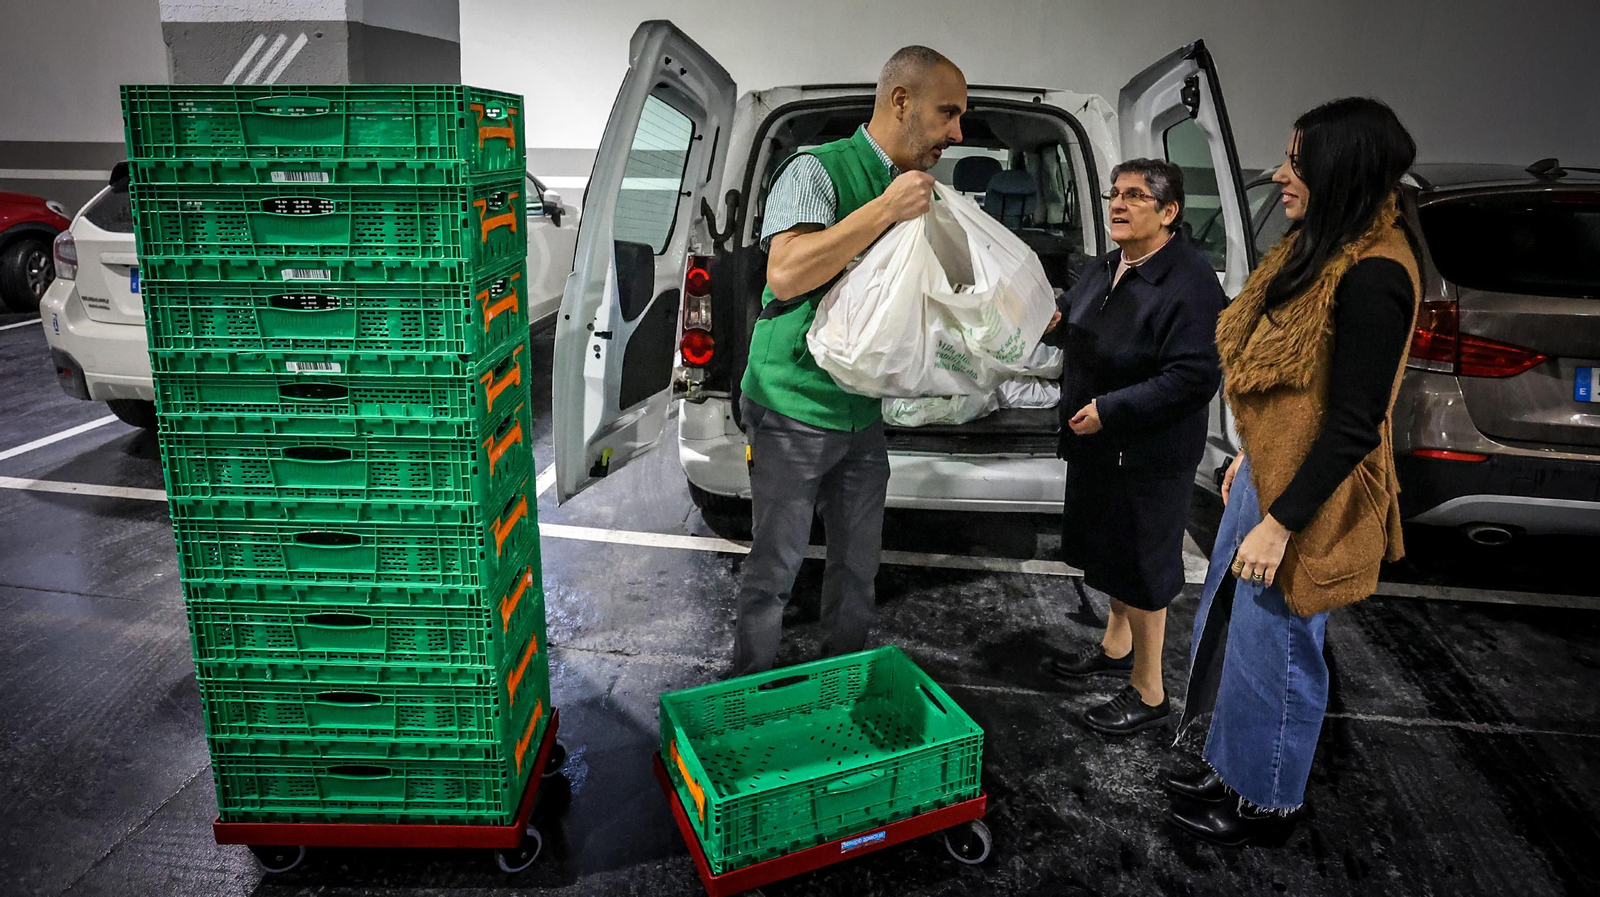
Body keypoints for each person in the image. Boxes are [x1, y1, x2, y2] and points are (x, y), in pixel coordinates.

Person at [1166, 97, 1421, 846]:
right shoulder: (1322, 248)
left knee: (1279, 646)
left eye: (1297, 162)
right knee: (1237, 630)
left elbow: (1352, 423)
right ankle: (1228, 761)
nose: (1281, 173)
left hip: (1311, 496)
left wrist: (1280, 523)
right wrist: (1253, 453)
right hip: (1270, 473)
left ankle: (1269, 799)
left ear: (1341, 170)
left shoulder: (1376, 272)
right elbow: (1301, 389)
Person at [730, 46, 968, 675]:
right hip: (792, 405)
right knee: (775, 568)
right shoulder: (817, 171)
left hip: (861, 412)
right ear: (900, 102)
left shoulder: (919, 191)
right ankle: (746, 690)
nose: (957, 132)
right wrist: (886, 209)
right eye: (948, 113)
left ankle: (840, 683)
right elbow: (785, 275)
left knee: (859, 565)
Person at [1042, 159, 1227, 735]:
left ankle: (1149, 692)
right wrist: (1054, 323)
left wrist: (1112, 410)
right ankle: (1115, 647)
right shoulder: (1108, 265)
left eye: (1135, 197)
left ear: (1169, 212)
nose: (1118, 206)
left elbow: (1193, 378)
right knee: (1113, 552)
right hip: (1098, 442)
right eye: (1114, 194)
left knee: (1145, 567)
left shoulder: (1190, 284)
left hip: (1146, 452)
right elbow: (1078, 317)